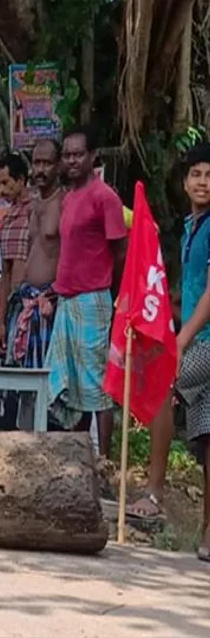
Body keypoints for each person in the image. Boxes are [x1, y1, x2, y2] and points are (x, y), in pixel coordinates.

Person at [127, 144, 210, 561]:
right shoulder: (191, 226)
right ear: (184, 182)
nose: (203, 181)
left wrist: (182, 338)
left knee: (161, 384)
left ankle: (156, 491)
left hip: (206, 341)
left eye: (209, 175)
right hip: (200, 334)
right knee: (208, 436)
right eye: (196, 174)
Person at [46, 127, 127, 454]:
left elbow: (120, 249)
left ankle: (104, 460)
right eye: (67, 155)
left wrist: (120, 297)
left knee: (96, 384)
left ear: (93, 156)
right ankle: (79, 458)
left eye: (78, 154)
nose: (72, 160)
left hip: (93, 299)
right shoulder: (70, 198)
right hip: (66, 300)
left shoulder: (104, 196)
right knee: (72, 384)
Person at [5, 139, 64, 430]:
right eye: (36, 163)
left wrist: (55, 294)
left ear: (59, 165)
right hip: (27, 302)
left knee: (50, 381)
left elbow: (70, 254)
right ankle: (28, 442)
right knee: (24, 384)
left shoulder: (66, 203)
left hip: (50, 305)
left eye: (46, 163)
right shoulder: (34, 206)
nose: (40, 169)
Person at [0, 153, 33, 348]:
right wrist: (1, 322)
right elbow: (5, 274)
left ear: (20, 180)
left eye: (5, 182)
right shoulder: (6, 221)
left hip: (38, 305)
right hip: (14, 308)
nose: (1, 190)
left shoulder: (39, 211)